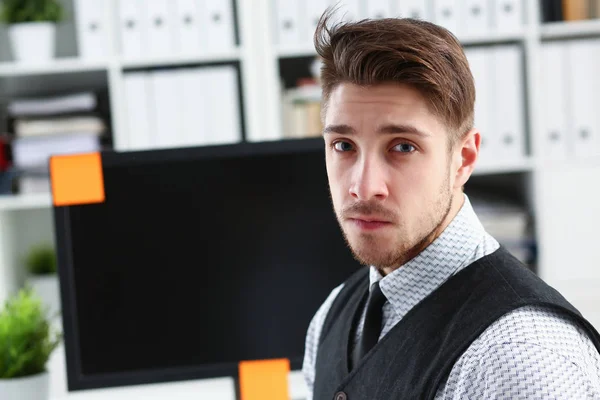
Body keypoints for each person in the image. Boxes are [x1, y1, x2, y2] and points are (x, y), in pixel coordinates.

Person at [302, 10, 600, 400]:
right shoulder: (332, 316)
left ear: (463, 158)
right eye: (344, 146)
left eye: (403, 147)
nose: (363, 186)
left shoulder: (519, 356)